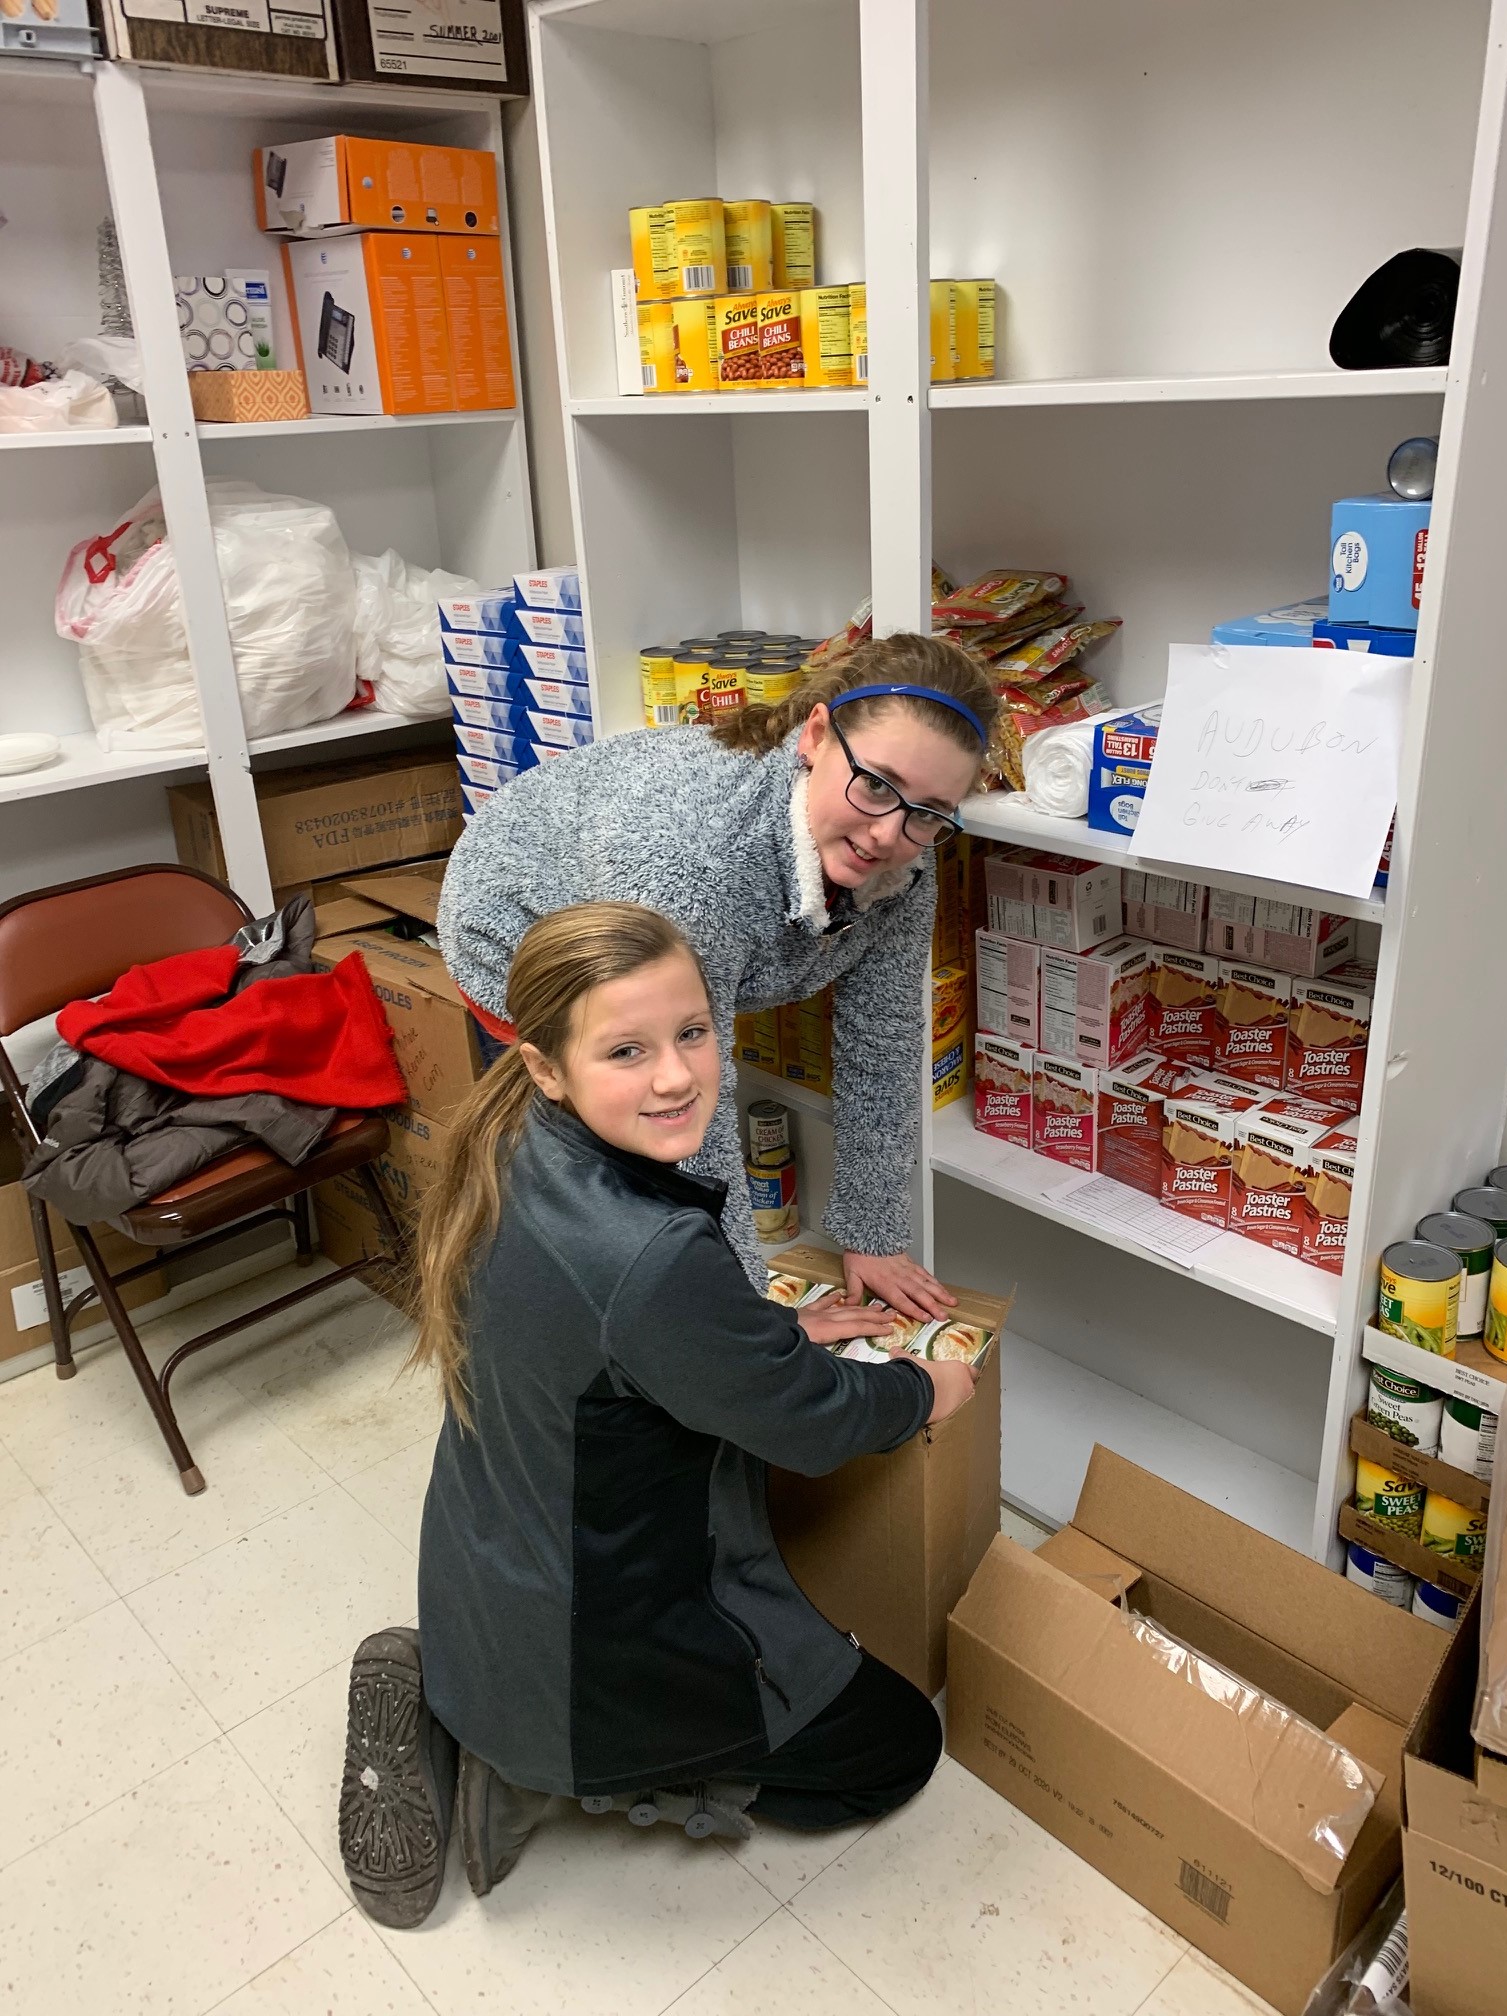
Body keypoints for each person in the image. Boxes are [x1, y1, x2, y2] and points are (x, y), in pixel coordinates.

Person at [338, 902, 979, 1930]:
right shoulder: (650, 1258)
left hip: (485, 1568)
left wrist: (753, 1338)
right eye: (628, 1049)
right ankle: (559, 1775)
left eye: (692, 1032)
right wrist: (924, 1390)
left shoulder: (513, 1143)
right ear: (547, 1064)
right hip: (588, 1650)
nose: (677, 1075)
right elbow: (811, 1427)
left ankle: (461, 1687)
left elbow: (619, 1340)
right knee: (896, 1750)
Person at [437, 631, 1001, 1324]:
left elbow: (883, 1038)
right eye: (877, 784)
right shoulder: (697, 864)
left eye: (927, 812)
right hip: (519, 912)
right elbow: (692, 1118)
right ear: (816, 736)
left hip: (656, 893)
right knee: (596, 1169)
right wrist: (755, 1323)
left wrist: (872, 1235)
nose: (889, 833)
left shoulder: (906, 859)